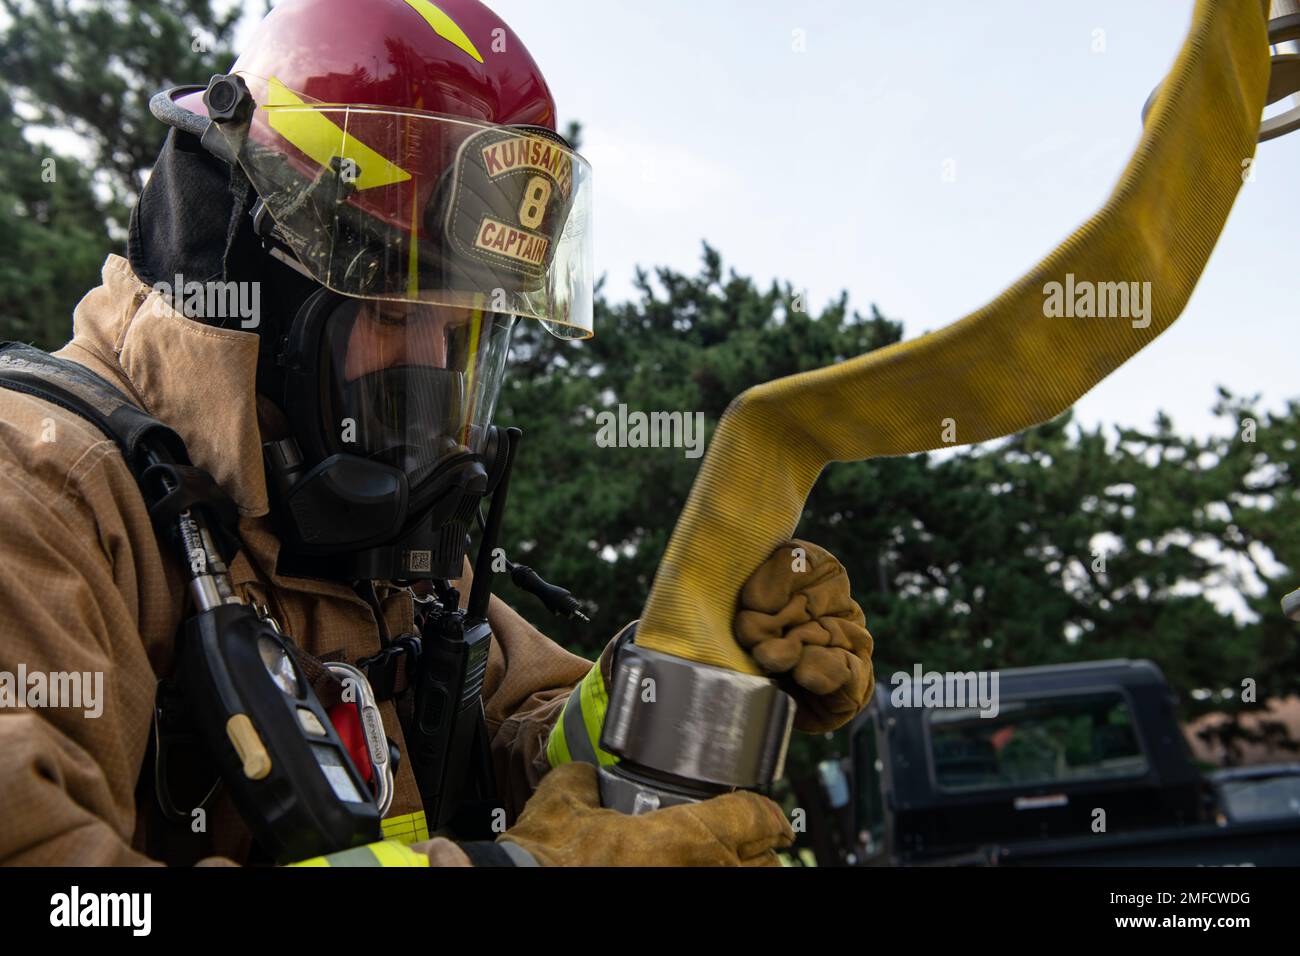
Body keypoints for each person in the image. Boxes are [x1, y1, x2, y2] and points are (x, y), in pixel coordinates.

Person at [0, 0, 872, 866]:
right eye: (390, 307)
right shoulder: (44, 494)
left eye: (459, 330)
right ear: (246, 271)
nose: (428, 365)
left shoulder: (388, 547)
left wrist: (691, 674)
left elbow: (533, 751)